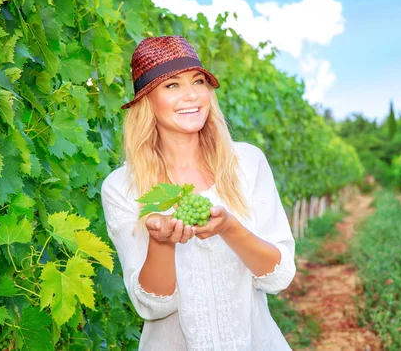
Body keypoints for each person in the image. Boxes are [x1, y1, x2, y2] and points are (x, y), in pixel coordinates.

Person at [100, 35, 296, 350]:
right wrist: (161, 244)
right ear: (147, 100)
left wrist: (230, 228)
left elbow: (278, 277)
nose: (191, 95)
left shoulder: (247, 163)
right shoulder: (122, 187)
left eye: (198, 81)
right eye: (172, 85)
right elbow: (152, 306)